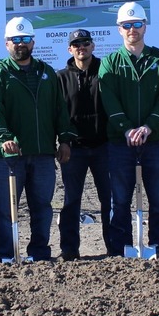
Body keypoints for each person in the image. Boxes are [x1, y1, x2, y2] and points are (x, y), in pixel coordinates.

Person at [0, 17, 76, 263]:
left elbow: (59, 110)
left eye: (25, 39)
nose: (20, 44)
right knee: (6, 209)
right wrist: (4, 138)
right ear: (6, 43)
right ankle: (7, 253)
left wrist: (64, 139)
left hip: (44, 153)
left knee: (42, 207)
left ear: (33, 42)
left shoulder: (47, 72)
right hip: (8, 157)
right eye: (15, 40)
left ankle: (40, 253)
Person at [99, 2, 159, 258]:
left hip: (154, 141)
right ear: (119, 29)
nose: (132, 29)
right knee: (119, 200)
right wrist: (127, 129)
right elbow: (109, 100)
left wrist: (147, 127)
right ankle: (122, 248)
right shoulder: (110, 62)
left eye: (137, 24)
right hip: (121, 143)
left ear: (145, 26)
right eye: (127, 25)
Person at [56, 29, 112, 260]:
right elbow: (58, 113)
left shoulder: (107, 71)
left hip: (104, 147)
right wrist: (63, 141)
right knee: (71, 201)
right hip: (74, 149)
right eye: (76, 44)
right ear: (70, 49)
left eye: (85, 43)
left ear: (93, 46)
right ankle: (69, 250)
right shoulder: (61, 77)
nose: (82, 47)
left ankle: (115, 246)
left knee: (110, 199)